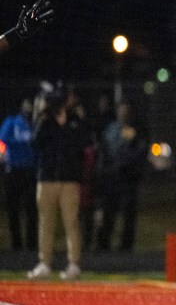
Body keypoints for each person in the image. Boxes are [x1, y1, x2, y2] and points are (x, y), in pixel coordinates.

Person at [28, 85, 92, 280]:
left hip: (69, 179)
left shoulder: (74, 121)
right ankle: (44, 263)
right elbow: (35, 143)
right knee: (46, 222)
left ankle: (73, 264)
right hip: (47, 178)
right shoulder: (45, 121)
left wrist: (74, 120)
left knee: (71, 222)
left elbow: (84, 142)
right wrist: (41, 117)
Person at [96, 100, 149, 252]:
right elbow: (105, 151)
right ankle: (103, 244)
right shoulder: (111, 129)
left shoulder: (136, 130)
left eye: (126, 111)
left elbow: (140, 151)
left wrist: (129, 158)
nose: (123, 114)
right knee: (108, 212)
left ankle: (126, 246)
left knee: (128, 213)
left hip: (128, 177)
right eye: (121, 110)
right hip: (111, 177)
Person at [0, 98, 38, 251]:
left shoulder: (35, 124)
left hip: (30, 171)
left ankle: (31, 244)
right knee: (13, 208)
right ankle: (16, 244)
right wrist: (3, 159)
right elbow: (1, 141)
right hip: (14, 170)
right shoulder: (12, 122)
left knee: (31, 209)